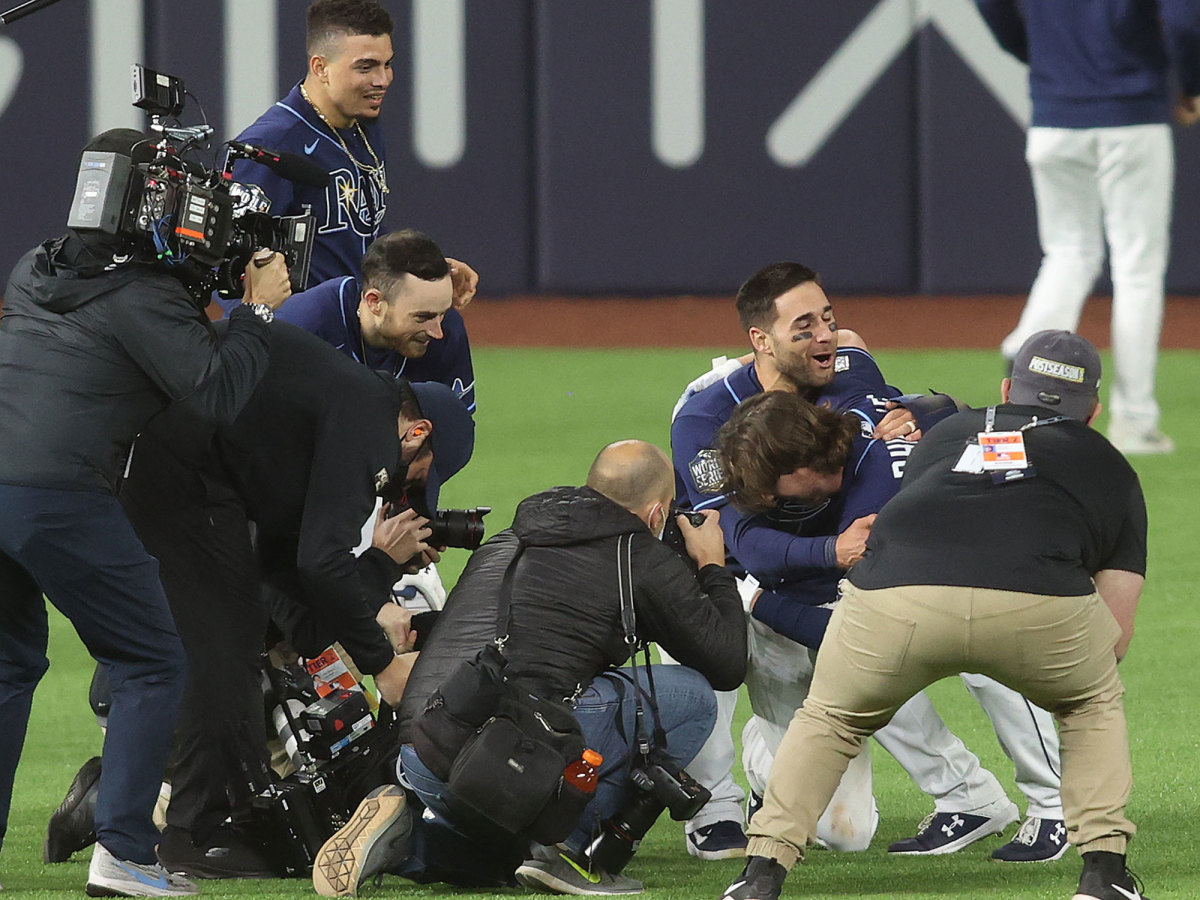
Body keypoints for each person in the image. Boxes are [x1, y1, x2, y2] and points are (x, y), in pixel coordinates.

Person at [724, 330, 1149, 900]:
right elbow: (1115, 638)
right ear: (1093, 412)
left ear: (1005, 389)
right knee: (1091, 702)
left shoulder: (949, 433)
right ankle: (1104, 876)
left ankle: (760, 876)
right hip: (1034, 605)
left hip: (896, 596)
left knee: (829, 719)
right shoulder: (1111, 466)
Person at [671, 262, 1064, 861]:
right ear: (761, 340)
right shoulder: (705, 417)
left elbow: (935, 404)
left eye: (829, 319)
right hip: (749, 580)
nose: (826, 335)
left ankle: (1017, 802)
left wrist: (921, 411)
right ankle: (717, 805)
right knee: (708, 624)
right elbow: (732, 541)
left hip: (859, 575)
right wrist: (828, 554)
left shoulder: (849, 377)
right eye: (805, 326)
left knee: (845, 820)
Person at [0, 129, 291, 896]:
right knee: (153, 660)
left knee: (7, 664)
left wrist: (186, 277)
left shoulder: (39, 264)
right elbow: (216, 396)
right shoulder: (143, 296)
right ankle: (124, 852)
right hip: (56, 493)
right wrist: (255, 314)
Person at [114, 323, 475, 878]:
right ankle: (197, 834)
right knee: (226, 648)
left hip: (185, 468)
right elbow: (316, 564)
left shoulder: (339, 411)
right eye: (425, 472)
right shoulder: (367, 421)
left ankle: (179, 814)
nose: (411, 490)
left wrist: (376, 571)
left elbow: (296, 594)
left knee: (235, 640)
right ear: (416, 433)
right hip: (176, 469)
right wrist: (383, 666)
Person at [309, 440, 748, 896]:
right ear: (657, 515)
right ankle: (569, 850)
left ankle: (409, 842)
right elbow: (727, 664)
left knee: (505, 843)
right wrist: (712, 563)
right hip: (498, 762)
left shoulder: (514, 535)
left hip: (421, 754)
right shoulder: (637, 554)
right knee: (689, 695)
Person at [976, 0, 1200, 455]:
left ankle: (1026, 350)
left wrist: (1040, 55)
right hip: (1131, 113)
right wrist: (1191, 84)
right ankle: (1135, 422)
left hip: (1055, 115)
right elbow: (1183, 19)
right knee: (1137, 269)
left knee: (1069, 251)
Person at [225, 0, 479, 304]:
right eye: (366, 67)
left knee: (442, 327)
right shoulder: (272, 143)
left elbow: (362, 234)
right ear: (321, 68)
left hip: (354, 317)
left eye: (387, 64)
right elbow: (230, 268)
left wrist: (427, 271)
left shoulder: (363, 127)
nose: (382, 80)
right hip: (299, 332)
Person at [269, 228, 475, 411]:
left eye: (443, 313)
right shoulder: (304, 326)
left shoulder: (448, 331)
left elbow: (454, 438)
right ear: (374, 302)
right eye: (423, 317)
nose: (437, 332)